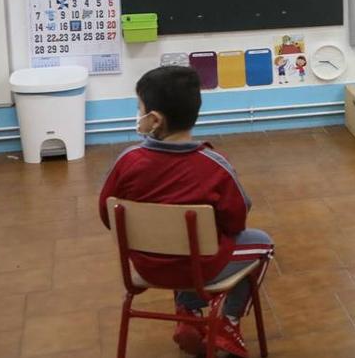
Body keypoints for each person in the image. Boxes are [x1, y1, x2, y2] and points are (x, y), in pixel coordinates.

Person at [99, 66, 273, 358]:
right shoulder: (214, 165)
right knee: (262, 243)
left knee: (184, 248)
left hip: (145, 266)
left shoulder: (127, 161)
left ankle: (187, 311)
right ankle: (228, 324)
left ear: (154, 120)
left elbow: (107, 213)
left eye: (138, 107)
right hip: (202, 267)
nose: (137, 113)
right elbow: (236, 219)